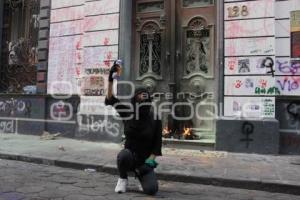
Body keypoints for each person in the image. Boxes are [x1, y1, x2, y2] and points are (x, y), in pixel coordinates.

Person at [105, 60, 162, 196]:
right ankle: (123, 178)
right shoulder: (127, 113)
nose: (142, 101)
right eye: (139, 98)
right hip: (130, 158)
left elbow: (157, 144)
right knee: (123, 155)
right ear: (134, 101)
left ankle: (141, 176)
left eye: (145, 98)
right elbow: (111, 99)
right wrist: (110, 80)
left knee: (151, 190)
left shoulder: (155, 119)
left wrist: (151, 159)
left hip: (145, 162)